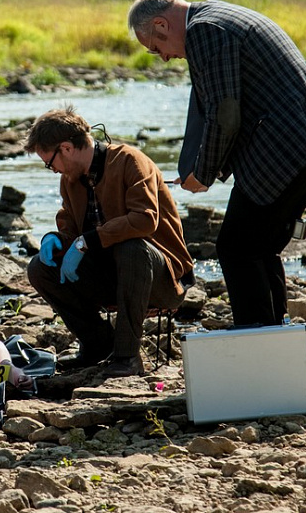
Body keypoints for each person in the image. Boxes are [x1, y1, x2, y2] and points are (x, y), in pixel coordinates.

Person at [127, 0, 306, 329]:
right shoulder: (217, 16)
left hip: (286, 144)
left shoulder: (204, 30)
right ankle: (275, 335)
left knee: (236, 247)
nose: (162, 58)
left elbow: (225, 113)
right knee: (261, 246)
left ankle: (258, 340)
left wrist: (203, 174)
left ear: (162, 24)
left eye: (156, 48)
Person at [25, 107, 195, 378]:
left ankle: (127, 357)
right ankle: (98, 346)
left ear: (66, 148)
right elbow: (69, 228)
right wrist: (55, 239)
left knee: (131, 248)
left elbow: (144, 220)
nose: (53, 170)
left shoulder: (130, 161)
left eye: (50, 163)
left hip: (162, 277)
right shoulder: (70, 180)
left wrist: (86, 242)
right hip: (112, 275)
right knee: (39, 268)